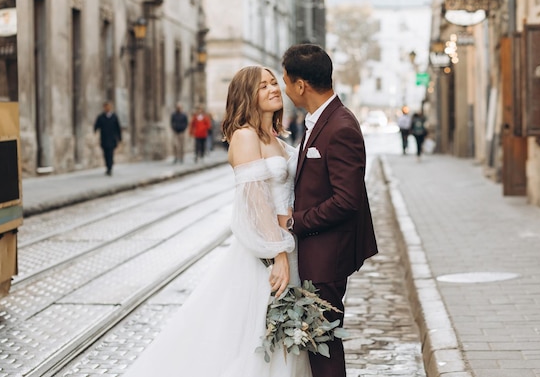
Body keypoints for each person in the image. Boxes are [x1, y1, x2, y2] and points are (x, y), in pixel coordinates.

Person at [123, 65, 311, 376]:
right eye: (263, 86)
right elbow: (256, 202)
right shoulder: (245, 136)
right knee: (256, 338)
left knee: (281, 338)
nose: (273, 89)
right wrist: (277, 254)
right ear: (247, 96)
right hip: (267, 254)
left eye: (273, 83)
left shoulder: (274, 137)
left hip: (286, 246)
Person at [281, 43, 378, 377]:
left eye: (285, 79)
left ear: (300, 85)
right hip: (318, 252)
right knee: (318, 343)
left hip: (328, 254)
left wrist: (296, 220)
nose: (283, 86)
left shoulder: (340, 126)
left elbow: (346, 201)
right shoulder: (320, 120)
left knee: (324, 347)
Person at [93, 101, 121, 176]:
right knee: (105, 154)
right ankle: (108, 167)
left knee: (111, 153)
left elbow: (118, 128)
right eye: (105, 107)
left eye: (108, 107)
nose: (107, 108)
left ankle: (110, 167)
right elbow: (97, 125)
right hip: (104, 138)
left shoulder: (114, 117)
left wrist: (119, 138)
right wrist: (95, 130)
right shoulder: (101, 117)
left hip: (112, 139)